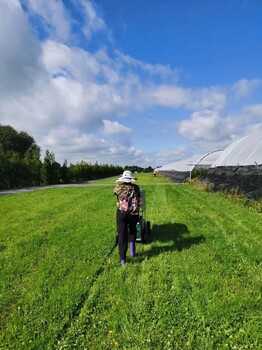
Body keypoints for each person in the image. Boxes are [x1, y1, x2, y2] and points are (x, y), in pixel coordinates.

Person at [114, 170, 142, 266]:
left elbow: (117, 198)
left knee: (122, 234)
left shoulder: (118, 187)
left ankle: (123, 260)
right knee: (132, 230)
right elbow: (139, 199)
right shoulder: (136, 187)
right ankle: (133, 252)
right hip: (133, 214)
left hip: (122, 213)